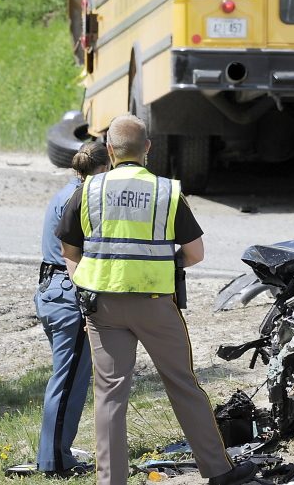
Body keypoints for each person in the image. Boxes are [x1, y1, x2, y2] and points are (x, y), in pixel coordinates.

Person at [56, 115, 257, 485]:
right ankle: (218, 471)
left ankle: (111, 481)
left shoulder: (88, 191)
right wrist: (165, 261)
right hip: (155, 302)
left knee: (110, 394)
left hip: (102, 306)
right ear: (148, 147)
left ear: (111, 151)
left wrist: (83, 282)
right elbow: (195, 253)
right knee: (182, 383)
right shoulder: (166, 191)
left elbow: (69, 248)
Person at [34, 142, 110, 478]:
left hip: (52, 291)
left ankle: (56, 452)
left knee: (66, 379)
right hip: (70, 295)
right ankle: (55, 462)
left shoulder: (65, 191)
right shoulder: (83, 200)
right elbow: (79, 257)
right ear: (105, 168)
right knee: (67, 383)